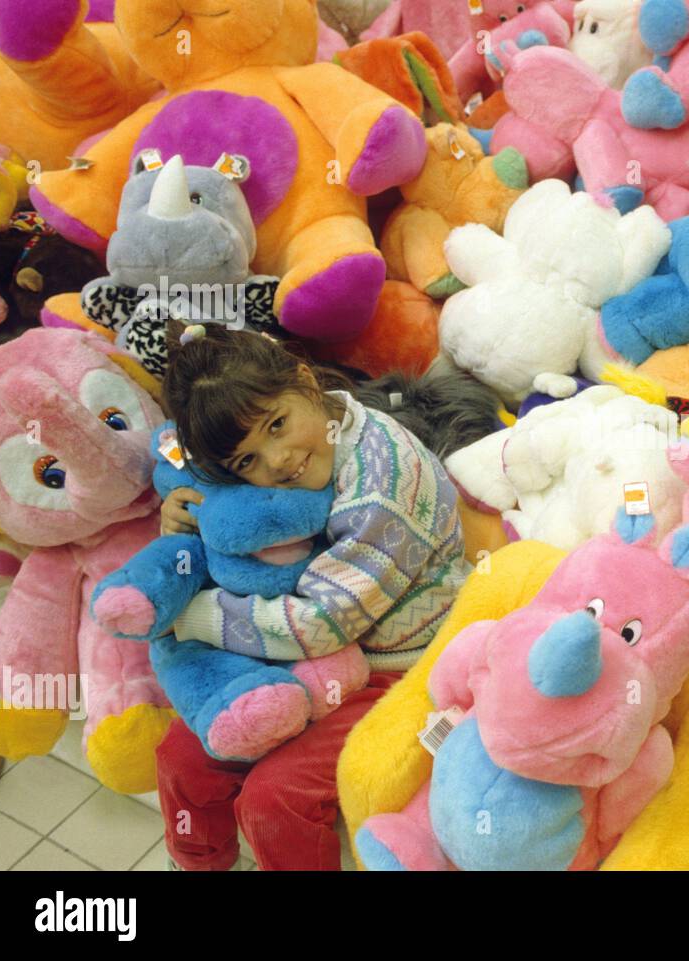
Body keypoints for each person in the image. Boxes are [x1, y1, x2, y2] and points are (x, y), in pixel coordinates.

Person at [154, 323, 470, 870]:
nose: (276, 462)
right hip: (312, 655)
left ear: (304, 379)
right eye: (247, 461)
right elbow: (210, 494)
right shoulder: (318, 433)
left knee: (276, 798)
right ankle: (199, 861)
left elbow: (323, 622)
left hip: (402, 667)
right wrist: (176, 530)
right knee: (181, 758)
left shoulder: (384, 486)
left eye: (277, 425)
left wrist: (194, 615)